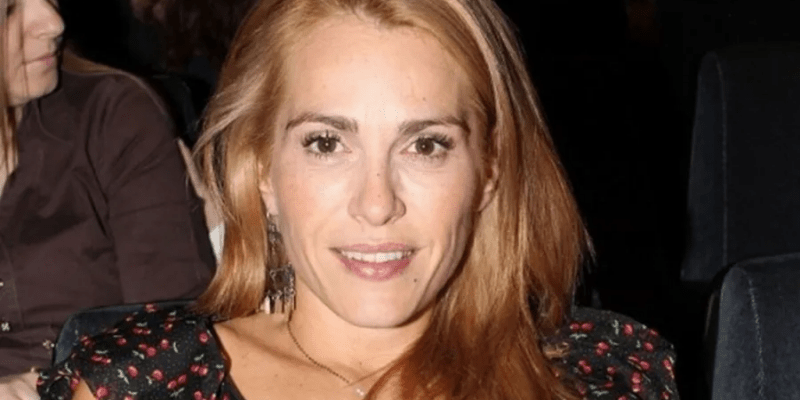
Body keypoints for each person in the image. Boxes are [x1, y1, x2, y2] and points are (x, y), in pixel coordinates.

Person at [38, 0, 679, 399]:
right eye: (325, 143)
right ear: (261, 170)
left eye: (425, 145)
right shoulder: (139, 384)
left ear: (488, 170)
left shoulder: (602, 378)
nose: (377, 205)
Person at [0, 0, 216, 397]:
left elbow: (172, 342)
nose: (53, 23)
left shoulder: (112, 116)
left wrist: (59, 385)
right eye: (10, 9)